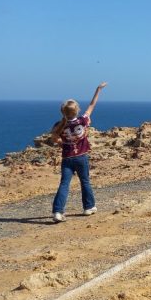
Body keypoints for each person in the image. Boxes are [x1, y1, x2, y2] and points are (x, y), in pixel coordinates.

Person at [50, 82, 107, 222]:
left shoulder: (59, 125)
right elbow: (92, 105)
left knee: (64, 184)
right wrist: (98, 89)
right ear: (77, 110)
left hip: (67, 158)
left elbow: (54, 138)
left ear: (63, 112)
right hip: (81, 157)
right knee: (85, 181)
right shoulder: (83, 120)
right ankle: (88, 207)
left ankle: (58, 211)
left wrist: (62, 143)